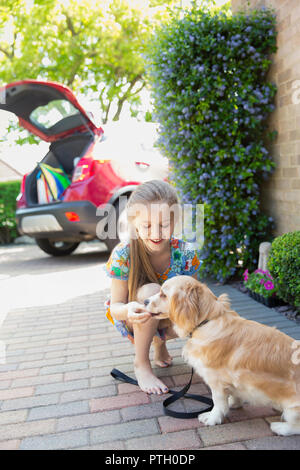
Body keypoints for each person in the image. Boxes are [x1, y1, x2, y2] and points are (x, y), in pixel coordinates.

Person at [103, 179, 202, 395]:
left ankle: (159, 344)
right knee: (150, 292)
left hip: (173, 318)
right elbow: (115, 307)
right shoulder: (124, 254)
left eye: (164, 224)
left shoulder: (185, 254)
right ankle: (141, 363)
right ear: (134, 223)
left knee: (197, 312)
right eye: (147, 226)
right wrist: (127, 309)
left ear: (175, 221)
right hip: (136, 319)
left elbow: (197, 300)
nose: (156, 234)